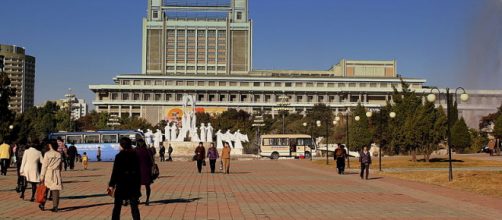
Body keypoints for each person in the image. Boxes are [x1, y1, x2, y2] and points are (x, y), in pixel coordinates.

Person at [109, 137, 141, 220]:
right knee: (134, 207)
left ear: (122, 145)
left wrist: (111, 185)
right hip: (133, 184)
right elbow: (138, 171)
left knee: (117, 207)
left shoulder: (119, 156)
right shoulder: (135, 155)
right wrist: (138, 185)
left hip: (122, 184)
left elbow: (115, 172)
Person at [39, 140, 63, 212]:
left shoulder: (47, 154)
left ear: (50, 145)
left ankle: (42, 204)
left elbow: (44, 166)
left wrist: (42, 176)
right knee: (55, 190)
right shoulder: (59, 154)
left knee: (45, 190)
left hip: (48, 173)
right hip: (56, 173)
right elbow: (60, 166)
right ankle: (55, 206)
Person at [135, 139, 153, 205]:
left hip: (137, 171)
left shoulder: (135, 151)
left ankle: (137, 199)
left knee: (137, 186)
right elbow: (152, 161)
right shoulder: (148, 151)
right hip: (146, 170)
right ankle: (147, 200)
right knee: (147, 186)